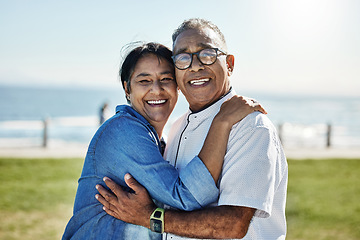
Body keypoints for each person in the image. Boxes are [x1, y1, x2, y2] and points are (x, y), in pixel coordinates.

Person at [96, 18, 288, 240]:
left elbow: (233, 225)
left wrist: (149, 217)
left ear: (230, 64)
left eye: (207, 54)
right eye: (183, 58)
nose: (195, 65)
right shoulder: (177, 127)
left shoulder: (250, 127)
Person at [62, 42, 265, 240]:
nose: (157, 90)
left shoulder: (163, 141)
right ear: (127, 89)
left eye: (166, 79)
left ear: (177, 86)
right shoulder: (123, 130)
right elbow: (186, 197)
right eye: (144, 81)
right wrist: (222, 122)